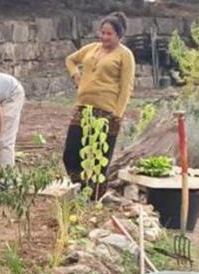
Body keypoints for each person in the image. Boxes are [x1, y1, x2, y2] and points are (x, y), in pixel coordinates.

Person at [64, 12, 135, 197]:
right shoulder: (92, 48)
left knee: (98, 157)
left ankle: (94, 197)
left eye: (109, 34)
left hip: (106, 111)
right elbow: (70, 60)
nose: (104, 37)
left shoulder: (125, 55)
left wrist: (117, 115)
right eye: (102, 32)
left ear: (119, 36)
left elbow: (126, 87)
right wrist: (76, 75)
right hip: (83, 107)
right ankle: (78, 188)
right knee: (71, 152)